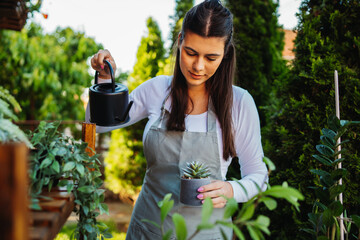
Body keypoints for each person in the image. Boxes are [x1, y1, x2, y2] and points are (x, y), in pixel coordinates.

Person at [87, 0, 268, 239]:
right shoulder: (157, 90)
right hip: (149, 229)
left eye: (211, 57)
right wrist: (104, 80)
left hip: (209, 234)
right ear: (180, 40)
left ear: (225, 54)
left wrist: (231, 189)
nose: (198, 66)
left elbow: (259, 176)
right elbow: (96, 126)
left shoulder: (240, 103)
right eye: (191, 52)